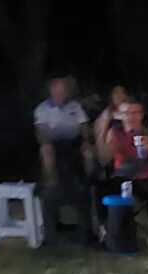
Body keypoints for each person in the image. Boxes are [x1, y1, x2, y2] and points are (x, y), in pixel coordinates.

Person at [96, 99, 148, 245]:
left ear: (141, 115)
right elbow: (103, 159)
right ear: (120, 116)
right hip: (120, 177)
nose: (130, 117)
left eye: (135, 113)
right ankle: (105, 230)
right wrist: (104, 133)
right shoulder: (115, 132)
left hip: (144, 180)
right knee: (99, 187)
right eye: (126, 113)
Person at [35, 76, 95, 244]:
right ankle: (51, 180)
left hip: (73, 143)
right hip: (54, 143)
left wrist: (86, 140)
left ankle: (90, 178)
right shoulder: (42, 109)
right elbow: (41, 131)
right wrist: (46, 141)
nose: (61, 92)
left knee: (88, 150)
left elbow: (84, 126)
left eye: (64, 89)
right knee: (46, 150)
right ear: (52, 90)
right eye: (58, 89)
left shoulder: (75, 107)